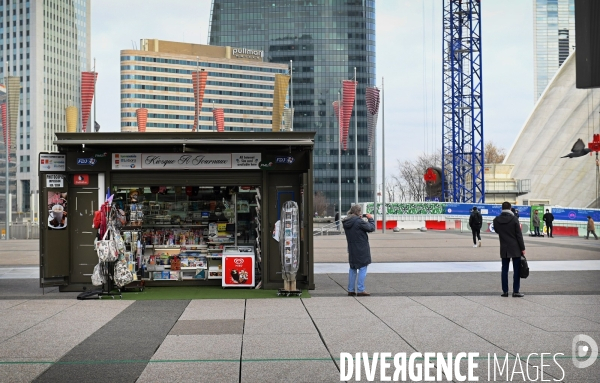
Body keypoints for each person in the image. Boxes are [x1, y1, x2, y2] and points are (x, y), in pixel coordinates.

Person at [493, 201, 526, 298]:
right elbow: (519, 235)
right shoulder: (514, 219)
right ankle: (516, 291)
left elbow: (497, 231)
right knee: (516, 270)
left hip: (504, 247)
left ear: (502, 208)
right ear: (510, 208)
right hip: (515, 248)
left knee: (504, 270)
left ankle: (505, 292)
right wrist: (522, 248)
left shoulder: (496, 220)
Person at [342, 205, 375, 296]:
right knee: (363, 267)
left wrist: (358, 218)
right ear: (359, 212)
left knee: (352, 268)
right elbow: (371, 228)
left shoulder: (346, 222)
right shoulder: (359, 221)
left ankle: (351, 289)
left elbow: (354, 225)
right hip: (361, 248)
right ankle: (361, 289)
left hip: (352, 248)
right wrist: (370, 219)